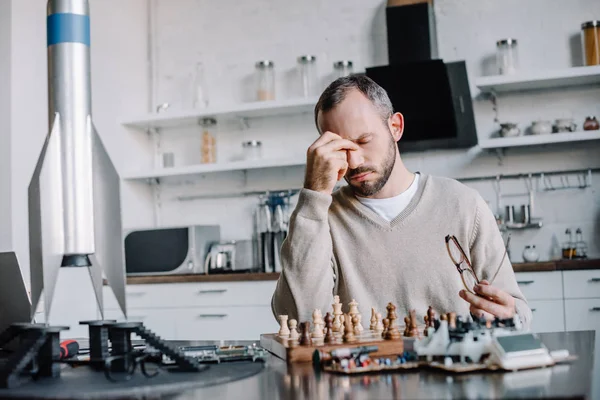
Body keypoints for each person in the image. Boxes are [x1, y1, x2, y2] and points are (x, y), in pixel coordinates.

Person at [271, 75, 531, 329]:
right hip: (360, 371)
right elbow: (299, 319)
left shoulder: (464, 205)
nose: (354, 162)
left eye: (363, 141)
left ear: (395, 127)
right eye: (340, 149)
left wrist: (509, 317)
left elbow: (517, 312)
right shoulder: (318, 218)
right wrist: (314, 194)